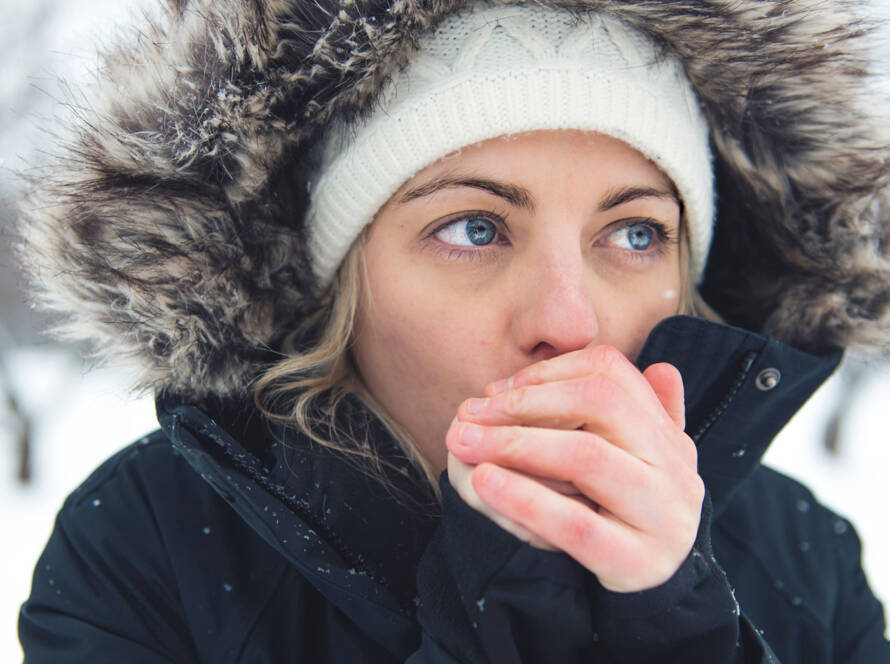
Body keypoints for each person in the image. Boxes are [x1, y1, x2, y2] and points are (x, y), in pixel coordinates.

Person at [15, 0, 890, 662]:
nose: (568, 322)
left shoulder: (801, 555)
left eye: (634, 235)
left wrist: (675, 626)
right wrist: (508, 614)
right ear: (344, 277)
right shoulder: (148, 545)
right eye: (475, 229)